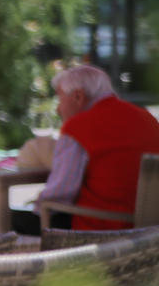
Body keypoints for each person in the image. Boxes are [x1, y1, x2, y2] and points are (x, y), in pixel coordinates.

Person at [14, 64, 159, 234]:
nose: (58, 108)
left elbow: (59, 195)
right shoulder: (147, 118)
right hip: (149, 230)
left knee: (14, 219)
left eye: (60, 99)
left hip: (101, 230)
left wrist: (37, 205)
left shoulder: (78, 128)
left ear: (78, 96)